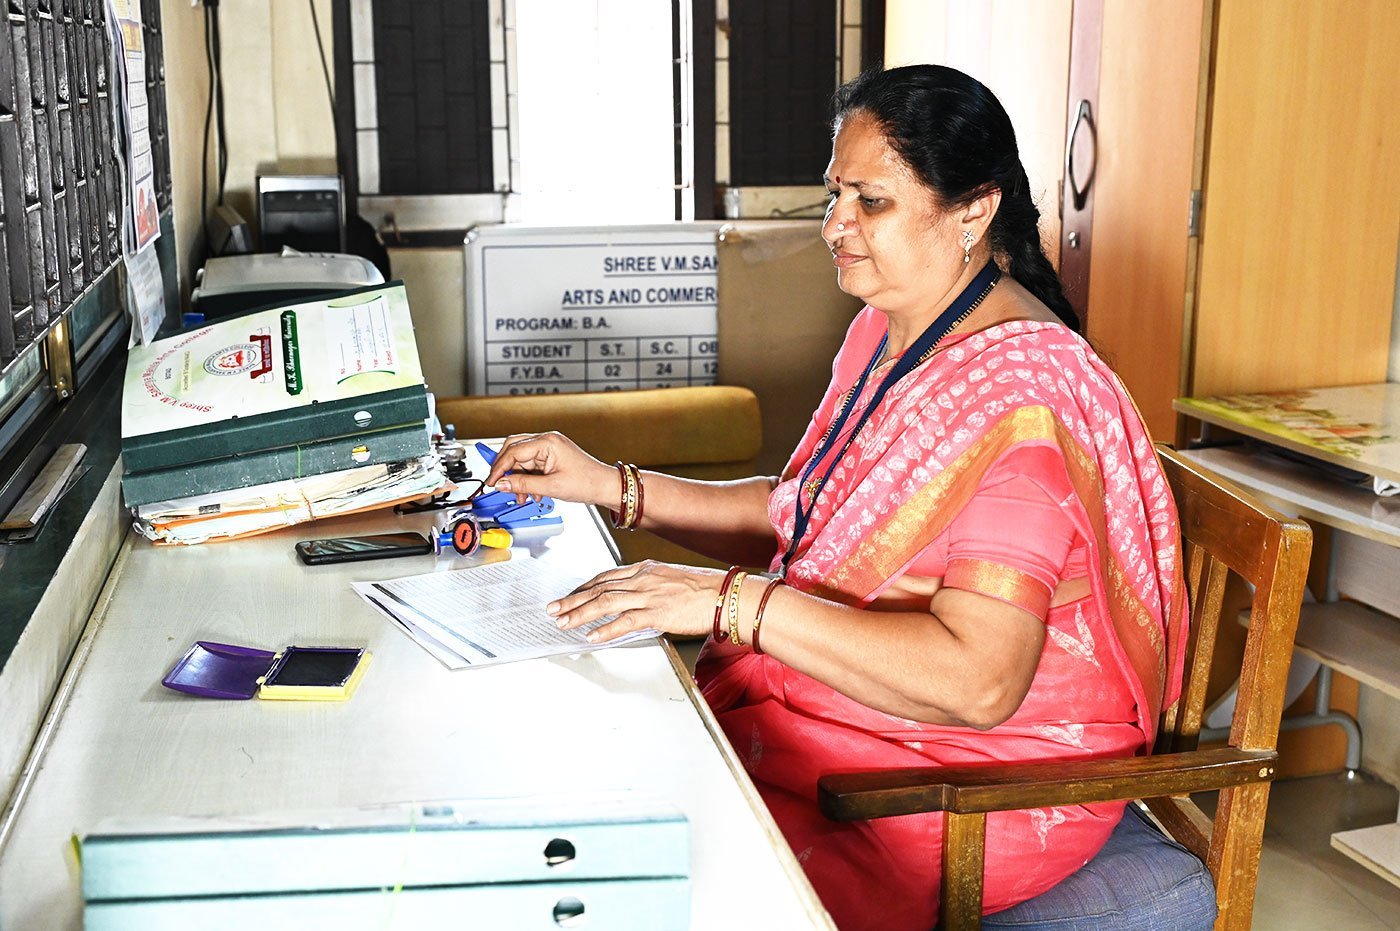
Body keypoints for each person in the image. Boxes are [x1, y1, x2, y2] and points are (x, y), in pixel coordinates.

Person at [485, 65, 1187, 931]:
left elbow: (979, 683)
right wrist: (609, 485)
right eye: (834, 194)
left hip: (968, 776)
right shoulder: (887, 329)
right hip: (857, 722)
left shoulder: (1023, 399)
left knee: (664, 878)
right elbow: (806, 519)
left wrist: (727, 601)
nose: (834, 226)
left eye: (871, 202)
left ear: (973, 211)